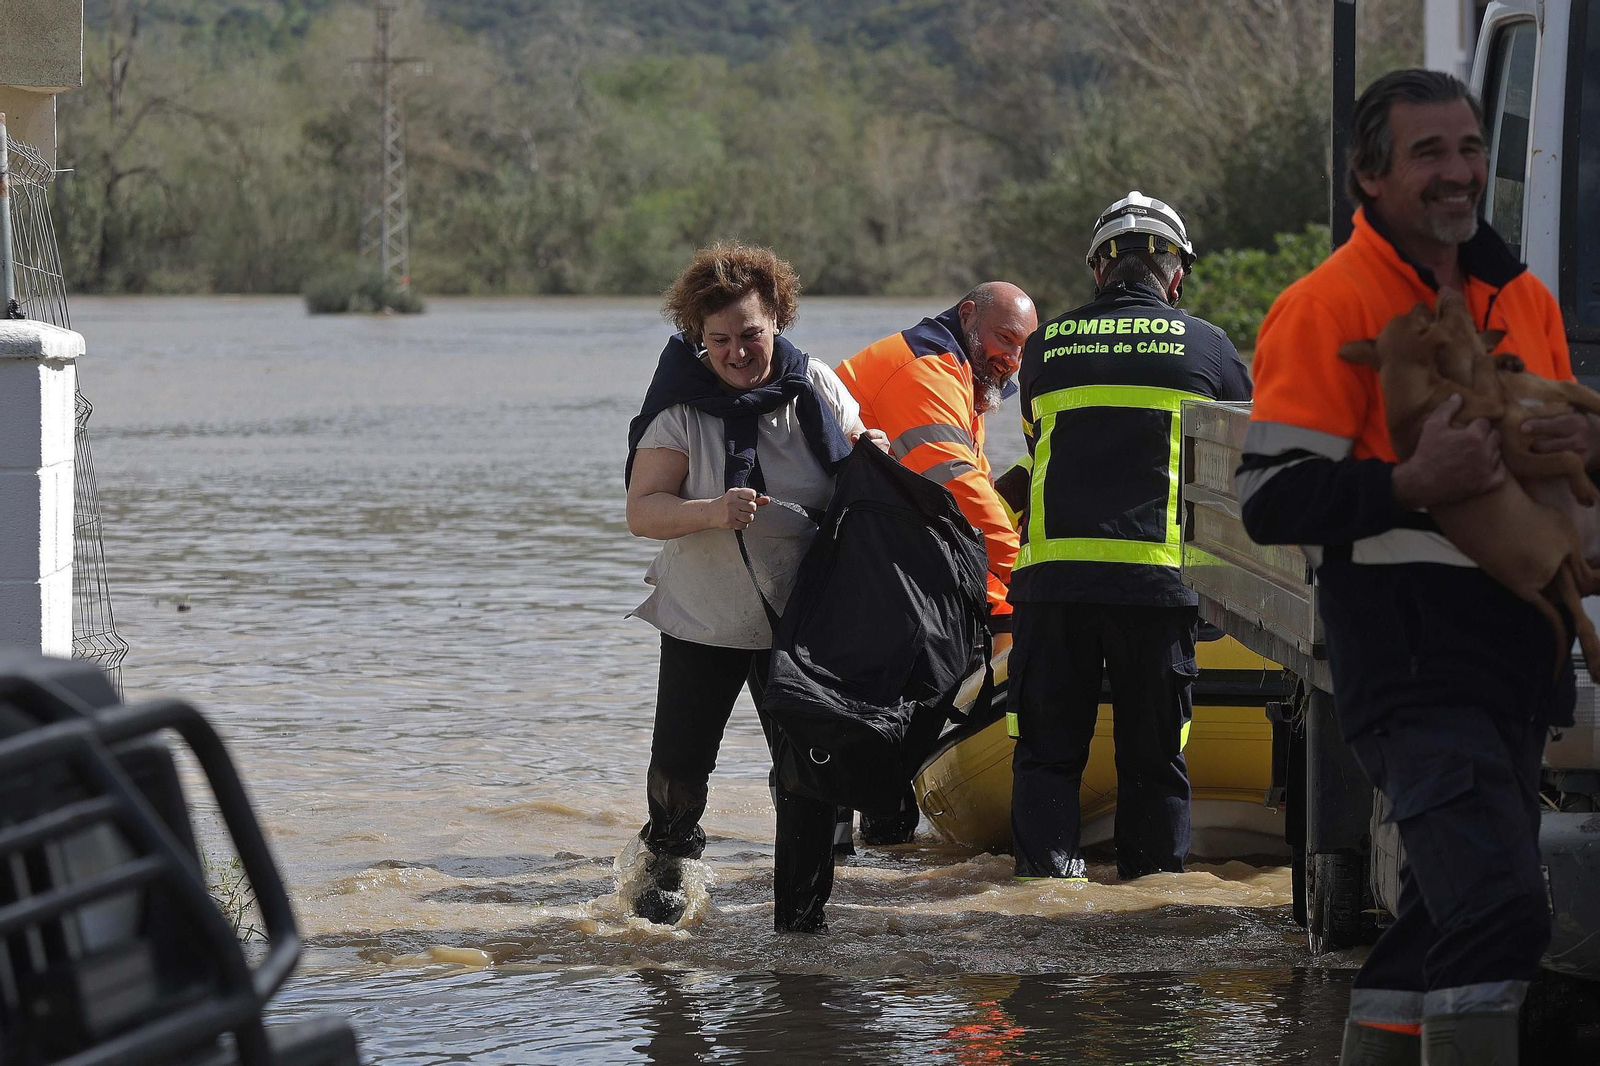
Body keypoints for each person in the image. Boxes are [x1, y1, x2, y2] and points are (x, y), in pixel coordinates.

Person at [1237, 71, 1584, 1066]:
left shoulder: (1524, 299)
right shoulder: (1325, 306)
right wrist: (1408, 481)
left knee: (1437, 916)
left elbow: (1558, 470)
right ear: (1369, 175)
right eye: (1428, 152)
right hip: (1411, 659)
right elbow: (1270, 498)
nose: (1458, 170)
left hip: (1517, 661)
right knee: (1500, 910)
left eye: (1469, 146)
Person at [623, 240, 885, 933]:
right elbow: (642, 511)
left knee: (807, 777)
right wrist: (711, 511)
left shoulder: (817, 386)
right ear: (698, 337)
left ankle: (801, 926)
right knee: (679, 775)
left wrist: (876, 458)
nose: (737, 353)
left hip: (803, 623)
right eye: (719, 340)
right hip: (703, 618)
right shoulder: (681, 407)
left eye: (751, 334)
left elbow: (858, 461)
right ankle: (665, 881)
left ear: (779, 321)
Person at [1007, 191, 1252, 883]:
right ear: (1175, 276)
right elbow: (1241, 458)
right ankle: (1149, 907)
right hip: (1156, 588)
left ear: (1098, 270)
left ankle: (1041, 903)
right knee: (1153, 762)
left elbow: (1037, 445)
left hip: (1054, 589)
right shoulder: (1207, 346)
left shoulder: (1045, 346)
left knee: (1047, 756)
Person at [833, 283, 1037, 844]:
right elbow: (962, 492)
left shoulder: (958, 374)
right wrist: (1029, 580)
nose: (1013, 358)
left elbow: (972, 496)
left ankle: (882, 839)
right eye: (1004, 339)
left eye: (1023, 347)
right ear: (967, 315)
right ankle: (861, 838)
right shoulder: (924, 372)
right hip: (855, 561)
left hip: (882, 553)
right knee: (869, 720)